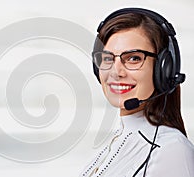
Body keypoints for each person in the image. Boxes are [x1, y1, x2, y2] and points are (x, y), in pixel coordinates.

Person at [81, 7, 194, 177]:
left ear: (163, 69)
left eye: (133, 58)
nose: (116, 71)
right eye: (107, 58)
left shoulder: (170, 148)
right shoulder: (117, 140)